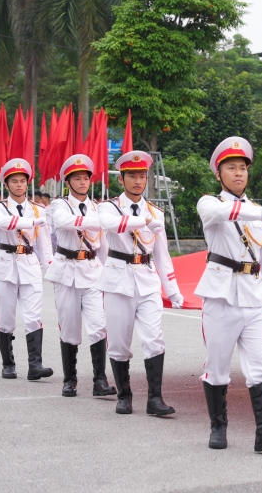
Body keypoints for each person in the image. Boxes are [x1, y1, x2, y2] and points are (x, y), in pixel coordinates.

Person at [196, 137, 262, 451]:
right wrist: (261, 215)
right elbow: (226, 214)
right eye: (231, 168)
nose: (239, 173)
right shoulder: (209, 204)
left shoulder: (258, 213)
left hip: (255, 298)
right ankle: (218, 428)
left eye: (243, 168)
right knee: (218, 365)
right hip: (221, 296)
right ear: (218, 174)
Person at [97, 152, 183, 417]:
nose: (138, 181)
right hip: (117, 281)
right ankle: (125, 395)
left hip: (146, 281)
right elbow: (110, 225)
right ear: (121, 179)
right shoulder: (109, 207)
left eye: (142, 176)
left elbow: (162, 256)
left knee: (154, 339)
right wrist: (143, 221)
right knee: (120, 343)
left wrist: (173, 290)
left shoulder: (155, 211)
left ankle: (155, 399)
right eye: (132, 176)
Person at [45, 155, 117, 399]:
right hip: (66, 271)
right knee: (70, 328)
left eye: (86, 178)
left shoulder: (98, 207)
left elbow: (105, 244)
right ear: (68, 182)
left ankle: (100, 380)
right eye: (77, 178)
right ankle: (70, 380)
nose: (83, 182)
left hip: (92, 270)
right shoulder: (59, 204)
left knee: (99, 326)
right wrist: (98, 222)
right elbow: (62, 222)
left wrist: (110, 272)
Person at [0, 159, 54, 381]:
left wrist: (51, 268)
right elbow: (1, 223)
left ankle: (35, 365)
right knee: (5, 318)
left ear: (27, 184)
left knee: (34, 316)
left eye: (22, 181)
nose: (18, 185)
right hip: (5, 265)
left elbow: (44, 244)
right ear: (7, 184)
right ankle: (8, 364)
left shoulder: (38, 209)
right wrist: (33, 223)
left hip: (29, 264)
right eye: (14, 181)